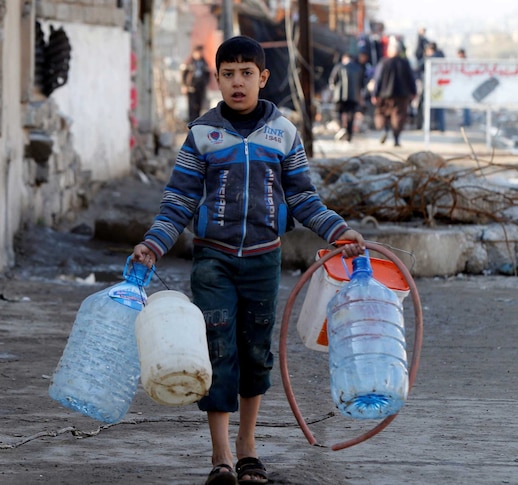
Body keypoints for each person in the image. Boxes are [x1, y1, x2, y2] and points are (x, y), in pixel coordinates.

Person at [132, 35, 366, 485]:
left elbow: (301, 196)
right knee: (217, 351)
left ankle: (247, 448)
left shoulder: (283, 133)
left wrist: (338, 230)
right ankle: (220, 455)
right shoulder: (203, 134)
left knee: (256, 354)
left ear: (262, 77)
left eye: (245, 73)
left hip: (262, 261)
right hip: (213, 261)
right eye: (227, 74)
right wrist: (153, 243)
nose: (236, 82)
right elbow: (179, 199)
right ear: (216, 78)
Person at [372, 39, 417, 147]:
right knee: (398, 116)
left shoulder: (384, 62)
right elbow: (411, 78)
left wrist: (375, 94)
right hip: (401, 95)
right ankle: (396, 139)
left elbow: (377, 79)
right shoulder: (405, 63)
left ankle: (385, 130)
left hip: (384, 95)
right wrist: (413, 91)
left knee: (382, 114)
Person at [329, 52, 366, 142]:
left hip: (340, 96)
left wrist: (333, 91)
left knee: (337, 112)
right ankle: (349, 135)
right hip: (354, 96)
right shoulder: (359, 68)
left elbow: (332, 81)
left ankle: (341, 128)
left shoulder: (339, 66)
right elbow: (362, 84)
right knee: (351, 115)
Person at [182, 45, 212, 123]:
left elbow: (208, 74)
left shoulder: (204, 62)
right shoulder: (189, 62)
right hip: (191, 86)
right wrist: (184, 85)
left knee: (199, 105)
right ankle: (191, 121)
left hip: (200, 86)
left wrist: (206, 82)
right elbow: (183, 74)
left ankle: (197, 121)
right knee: (192, 105)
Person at [425, 42, 446, 132]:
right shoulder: (442, 57)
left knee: (431, 107)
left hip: (432, 86)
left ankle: (431, 126)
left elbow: (419, 67)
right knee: (439, 107)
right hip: (441, 85)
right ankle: (441, 127)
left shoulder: (431, 59)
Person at [457, 48, 472, 127]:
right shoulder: (461, 63)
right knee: (463, 106)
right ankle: (465, 121)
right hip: (462, 87)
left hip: (466, 87)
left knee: (466, 105)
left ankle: (467, 121)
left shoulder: (466, 63)